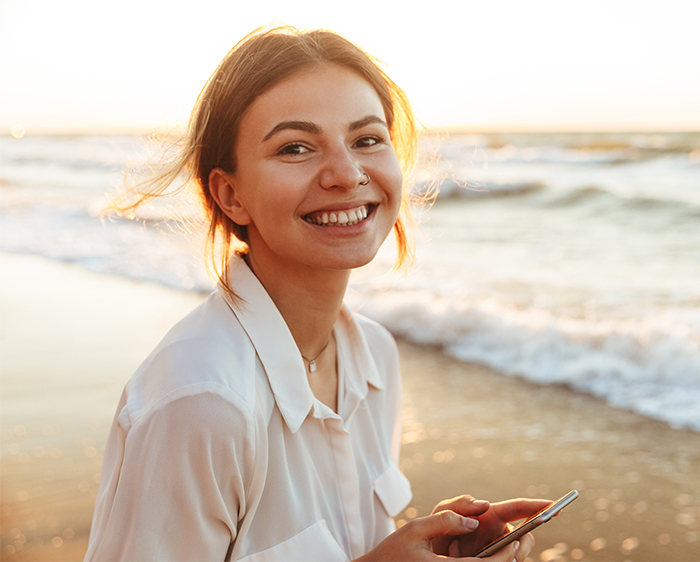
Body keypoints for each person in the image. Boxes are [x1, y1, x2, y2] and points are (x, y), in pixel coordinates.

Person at [84, 25, 550, 561]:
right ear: (230, 195)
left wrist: (435, 547)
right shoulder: (202, 403)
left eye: (367, 139)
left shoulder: (374, 357)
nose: (347, 174)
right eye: (296, 147)